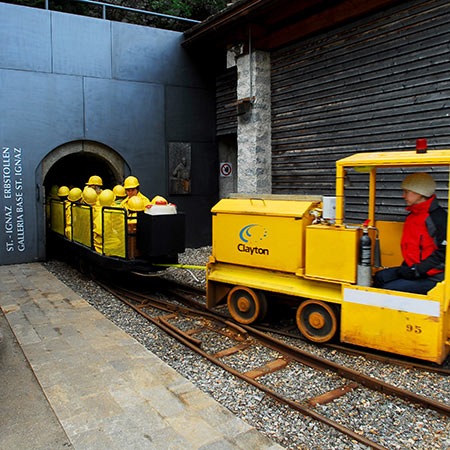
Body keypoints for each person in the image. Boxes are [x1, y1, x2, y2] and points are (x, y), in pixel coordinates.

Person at [373, 173, 447, 294]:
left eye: (407, 192)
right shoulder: (413, 216)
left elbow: (444, 253)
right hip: (412, 269)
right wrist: (408, 268)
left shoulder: (438, 219)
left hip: (433, 276)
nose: (403, 196)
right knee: (380, 277)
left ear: (419, 193)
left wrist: (417, 270)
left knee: (389, 290)